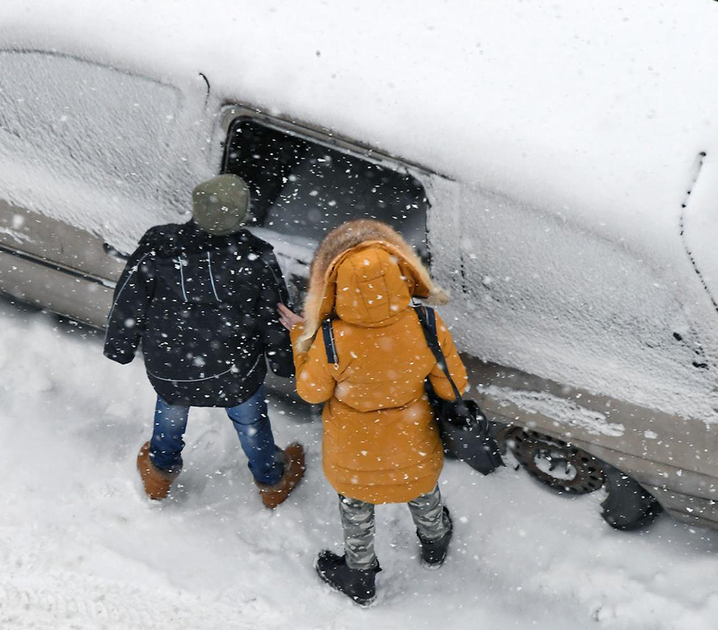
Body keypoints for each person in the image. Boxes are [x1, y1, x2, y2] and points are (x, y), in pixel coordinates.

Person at [277, 219, 466, 605]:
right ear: (400, 275)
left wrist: (302, 339)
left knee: (356, 506)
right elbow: (453, 386)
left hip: (354, 447)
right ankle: (434, 543)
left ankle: (360, 575)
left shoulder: (332, 338)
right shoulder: (426, 323)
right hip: (412, 438)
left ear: (335, 287)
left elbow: (311, 392)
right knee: (422, 488)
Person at [105, 174, 305, 509]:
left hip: (171, 363)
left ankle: (159, 472)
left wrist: (120, 345)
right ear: (241, 215)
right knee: (250, 421)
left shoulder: (159, 246)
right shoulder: (256, 257)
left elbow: (128, 299)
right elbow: (276, 317)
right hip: (234, 368)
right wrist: (284, 362)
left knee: (171, 409)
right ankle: (271, 480)